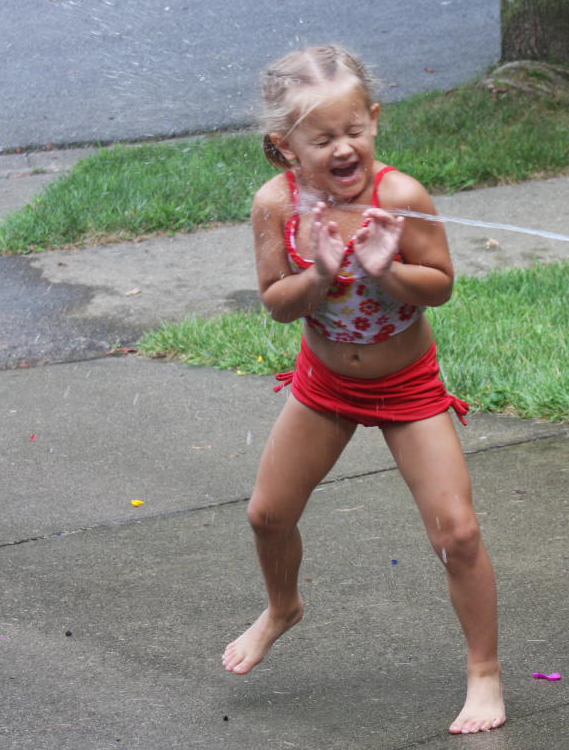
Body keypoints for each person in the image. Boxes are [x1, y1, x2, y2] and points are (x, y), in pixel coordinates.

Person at [222, 45, 505, 735]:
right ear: (284, 147)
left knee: (459, 533)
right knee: (267, 515)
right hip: (324, 383)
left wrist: (387, 270)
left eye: (355, 131)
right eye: (322, 140)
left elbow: (440, 284)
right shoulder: (276, 205)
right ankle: (283, 606)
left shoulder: (400, 198)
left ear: (375, 120)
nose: (344, 149)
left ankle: (485, 673)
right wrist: (318, 274)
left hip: (407, 385)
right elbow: (277, 303)